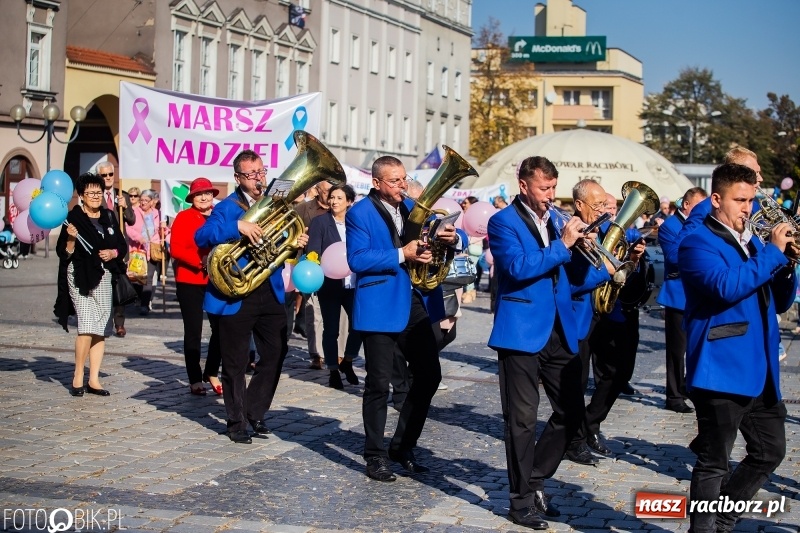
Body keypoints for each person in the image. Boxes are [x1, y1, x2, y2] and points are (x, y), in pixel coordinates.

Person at [679, 163, 796, 532]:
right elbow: (726, 287)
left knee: (770, 451)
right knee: (714, 462)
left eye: (750, 200)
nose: (747, 208)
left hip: (760, 369)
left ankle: (724, 517)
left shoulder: (756, 243)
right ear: (716, 199)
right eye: (739, 200)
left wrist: (788, 264)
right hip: (720, 367)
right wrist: (773, 254)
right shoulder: (697, 241)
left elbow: (776, 303)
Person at [488, 156, 598, 530]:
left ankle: (534, 478)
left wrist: (597, 262)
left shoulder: (555, 220)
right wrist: (563, 245)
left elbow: (568, 275)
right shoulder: (501, 222)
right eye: (544, 189)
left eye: (554, 188)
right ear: (524, 186)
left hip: (558, 329)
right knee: (521, 421)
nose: (551, 196)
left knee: (571, 413)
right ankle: (520, 505)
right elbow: (518, 267)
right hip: (520, 332)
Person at [346, 155, 457, 482]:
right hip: (379, 305)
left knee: (429, 374)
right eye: (394, 181)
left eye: (404, 179)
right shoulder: (359, 213)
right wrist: (401, 254)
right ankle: (374, 455)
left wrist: (451, 240)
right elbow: (356, 259)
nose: (402, 185)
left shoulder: (413, 207)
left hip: (413, 302)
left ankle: (403, 445)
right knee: (378, 384)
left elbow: (435, 242)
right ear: (377, 183)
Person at [195, 149, 307, 444]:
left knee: (275, 352)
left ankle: (255, 412)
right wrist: (237, 226)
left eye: (261, 172)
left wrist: (295, 242)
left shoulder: (275, 204)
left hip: (268, 289)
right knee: (235, 361)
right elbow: (202, 236)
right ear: (237, 178)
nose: (258, 179)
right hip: (237, 292)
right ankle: (236, 422)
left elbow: (280, 245)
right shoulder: (227, 207)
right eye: (251, 174)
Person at [54, 173, 129, 397]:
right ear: (81, 196)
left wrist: (113, 252)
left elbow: (122, 246)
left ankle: (94, 379)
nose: (96, 196)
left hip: (105, 276)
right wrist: (70, 239)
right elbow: (63, 253)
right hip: (80, 276)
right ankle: (78, 375)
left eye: (98, 192)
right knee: (87, 325)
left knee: (100, 329)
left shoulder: (108, 216)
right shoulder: (73, 218)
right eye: (91, 193)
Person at [656, 186, 708, 413]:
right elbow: (674, 257)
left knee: (697, 346)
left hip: (698, 294)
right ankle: (674, 395)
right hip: (678, 295)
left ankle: (690, 386)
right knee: (677, 351)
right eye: (699, 207)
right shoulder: (670, 226)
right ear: (686, 205)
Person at [306, 183, 362, 389]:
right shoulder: (320, 222)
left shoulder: (356, 222)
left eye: (339, 198)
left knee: (359, 325)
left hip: (353, 282)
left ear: (349, 202)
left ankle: (347, 361)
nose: (334, 201)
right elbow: (313, 250)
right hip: (329, 283)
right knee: (331, 329)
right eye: (332, 197)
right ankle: (332, 370)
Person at [170, 178, 223, 396]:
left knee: (221, 328)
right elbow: (176, 249)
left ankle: (211, 371)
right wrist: (201, 262)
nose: (204, 197)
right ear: (192, 197)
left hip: (216, 280)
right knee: (193, 331)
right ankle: (194, 378)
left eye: (208, 194)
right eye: (200, 194)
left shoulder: (219, 215)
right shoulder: (184, 217)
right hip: (190, 280)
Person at [295, 180, 334, 369]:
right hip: (311, 267)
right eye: (327, 191)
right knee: (314, 313)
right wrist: (297, 239)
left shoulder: (341, 209)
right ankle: (316, 353)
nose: (331, 195)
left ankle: (337, 353)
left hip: (336, 267)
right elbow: (289, 232)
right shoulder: (303, 208)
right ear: (317, 191)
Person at [98, 162, 135, 337]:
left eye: (110, 175)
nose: (107, 178)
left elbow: (132, 220)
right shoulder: (96, 195)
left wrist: (125, 207)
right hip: (102, 245)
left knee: (119, 284)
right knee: (103, 284)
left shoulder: (122, 195)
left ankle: (119, 322)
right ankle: (104, 319)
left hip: (120, 247)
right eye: (103, 175)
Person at [126, 189, 165, 316]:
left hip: (152, 250)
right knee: (137, 277)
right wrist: (139, 238)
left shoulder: (157, 213)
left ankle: (144, 305)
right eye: (141, 200)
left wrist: (164, 232)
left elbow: (162, 230)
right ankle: (138, 298)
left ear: (152, 202)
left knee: (148, 278)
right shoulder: (135, 212)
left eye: (146, 200)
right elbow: (128, 229)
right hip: (138, 250)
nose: (143, 203)